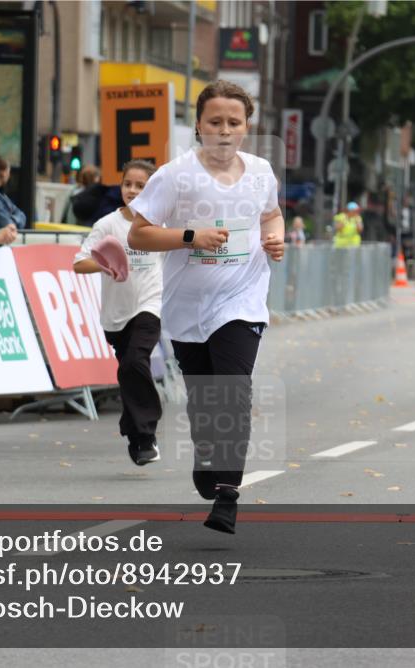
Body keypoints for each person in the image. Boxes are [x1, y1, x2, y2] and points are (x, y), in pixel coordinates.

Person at [128, 80, 284, 535]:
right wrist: (191, 236)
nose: (223, 130)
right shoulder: (175, 176)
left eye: (233, 122)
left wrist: (275, 237)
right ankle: (205, 452)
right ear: (198, 125)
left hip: (242, 298)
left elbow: (270, 213)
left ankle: (228, 497)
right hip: (187, 304)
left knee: (233, 392)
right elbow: (139, 233)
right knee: (203, 397)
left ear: (246, 128)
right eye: (214, 121)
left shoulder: (259, 171)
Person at [73, 160, 162, 466]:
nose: (133, 191)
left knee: (135, 362)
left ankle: (146, 435)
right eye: (128, 184)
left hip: (151, 305)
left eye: (141, 185)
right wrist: (105, 265)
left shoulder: (161, 223)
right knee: (128, 371)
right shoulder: (108, 225)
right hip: (116, 315)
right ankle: (136, 435)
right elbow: (79, 263)